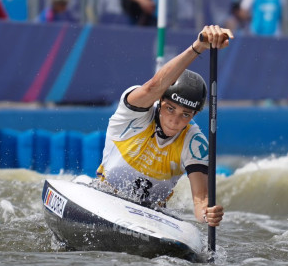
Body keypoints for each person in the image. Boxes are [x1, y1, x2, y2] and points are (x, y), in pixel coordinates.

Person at [95, 25, 232, 227]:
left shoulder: (195, 142)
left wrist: (206, 215)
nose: (175, 120)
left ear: (194, 115)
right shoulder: (133, 112)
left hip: (152, 215)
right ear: (160, 101)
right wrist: (199, 47)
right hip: (104, 197)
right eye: (170, 109)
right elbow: (153, 86)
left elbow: (200, 201)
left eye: (185, 114)